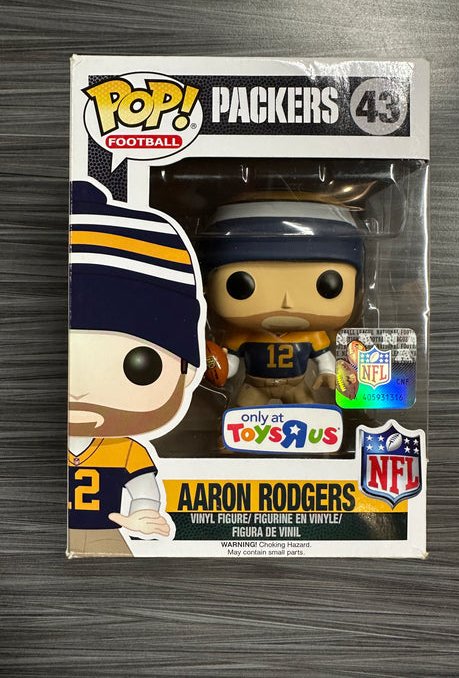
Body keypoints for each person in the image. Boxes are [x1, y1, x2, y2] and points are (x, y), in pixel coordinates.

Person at [68, 181, 204, 556]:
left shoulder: (125, 451)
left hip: (107, 537)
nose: (79, 390)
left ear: (187, 371)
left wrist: (143, 515)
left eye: (139, 367)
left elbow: (143, 489)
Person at [200, 200, 363, 406]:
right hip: (254, 386)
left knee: (308, 412)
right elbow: (231, 366)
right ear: (208, 285)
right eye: (241, 285)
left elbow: (324, 357)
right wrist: (216, 365)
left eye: (328, 286)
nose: (287, 303)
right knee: (243, 413)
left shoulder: (312, 335)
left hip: (296, 386)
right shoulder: (241, 335)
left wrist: (329, 372)